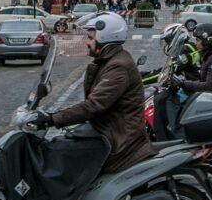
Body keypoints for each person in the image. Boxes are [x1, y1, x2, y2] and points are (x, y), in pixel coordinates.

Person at [25, 13, 157, 174]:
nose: (87, 42)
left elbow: (93, 105)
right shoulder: (110, 61)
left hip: (118, 141)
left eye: (90, 38)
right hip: (109, 131)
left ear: (104, 39)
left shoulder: (118, 67)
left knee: (60, 156)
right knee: (63, 145)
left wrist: (51, 119)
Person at [177, 24, 212, 97]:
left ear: (207, 41)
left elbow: (209, 85)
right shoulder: (208, 55)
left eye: (198, 40)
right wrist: (184, 82)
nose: (196, 44)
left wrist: (184, 84)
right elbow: (203, 81)